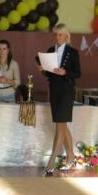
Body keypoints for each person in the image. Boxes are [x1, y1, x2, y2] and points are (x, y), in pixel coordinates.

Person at [38, 23, 81, 176]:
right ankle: (71, 156)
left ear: (66, 36)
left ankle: (52, 159)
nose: (57, 37)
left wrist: (65, 72)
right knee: (62, 125)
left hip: (66, 91)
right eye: (55, 34)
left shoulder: (72, 52)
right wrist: (43, 70)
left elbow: (78, 73)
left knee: (59, 126)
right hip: (54, 91)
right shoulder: (50, 50)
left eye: (60, 34)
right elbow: (49, 73)